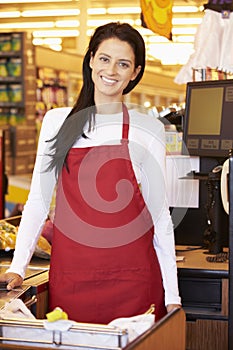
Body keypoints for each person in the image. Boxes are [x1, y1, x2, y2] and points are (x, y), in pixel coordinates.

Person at [0, 22, 181, 324]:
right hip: (72, 280)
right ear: (91, 60)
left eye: (123, 63)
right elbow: (37, 202)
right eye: (105, 59)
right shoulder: (58, 122)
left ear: (135, 72)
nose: (112, 70)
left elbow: (160, 216)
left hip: (134, 281)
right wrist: (18, 267)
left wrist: (173, 297)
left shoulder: (146, 130)